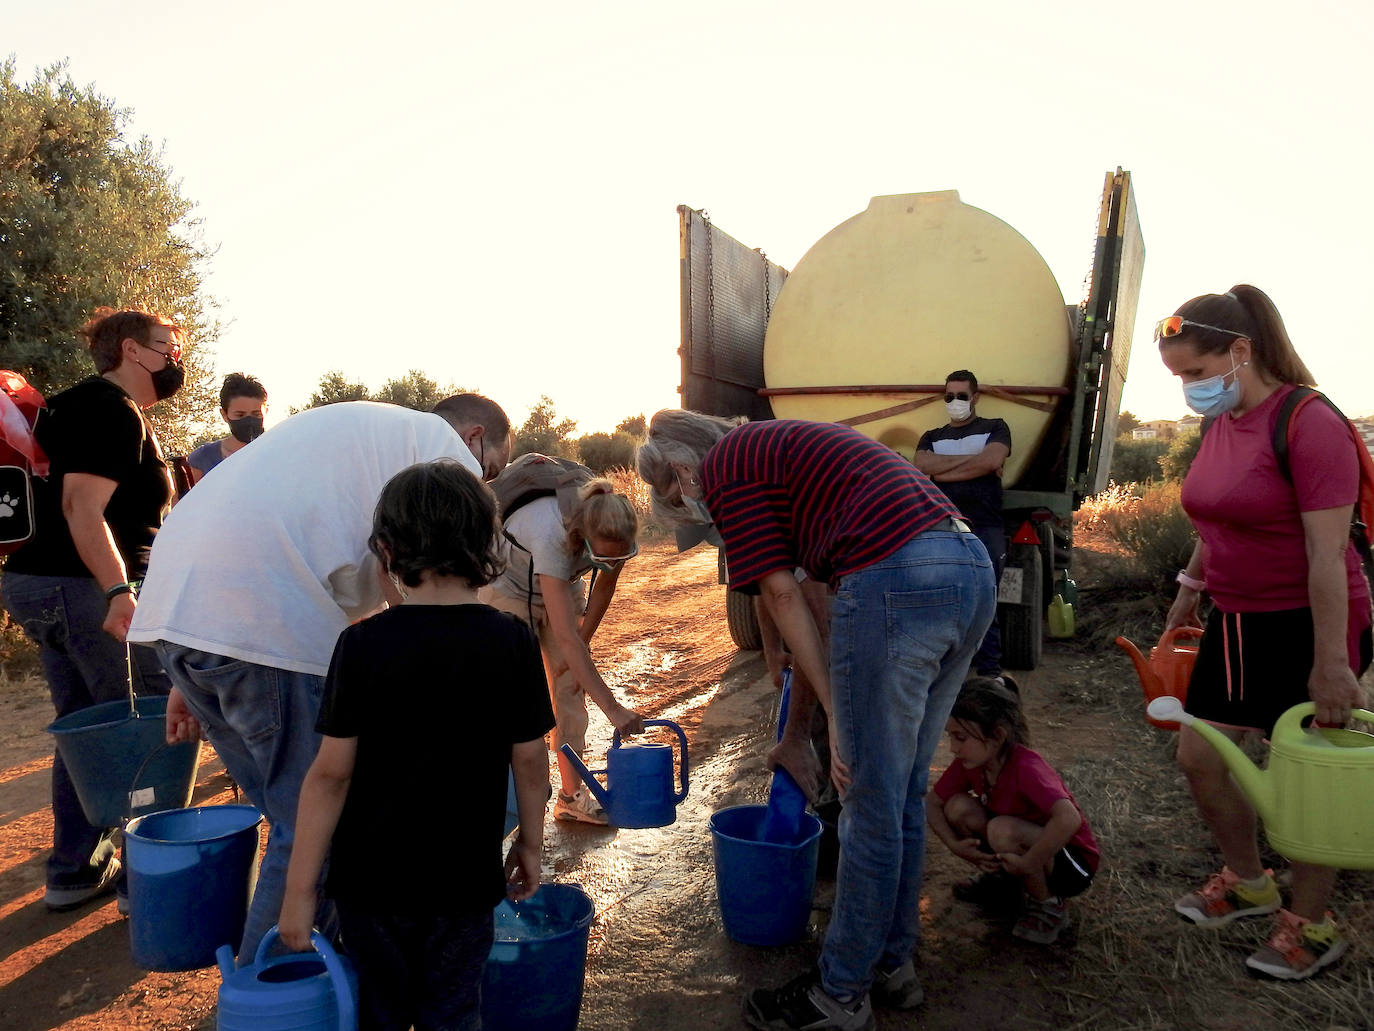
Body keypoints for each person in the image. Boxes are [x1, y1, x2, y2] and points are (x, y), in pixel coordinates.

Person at [636, 410, 996, 1031]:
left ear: (681, 468)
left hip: (896, 578)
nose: (692, 508)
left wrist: (836, 714)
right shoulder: (777, 453)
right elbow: (818, 608)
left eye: (677, 496)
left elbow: (781, 596)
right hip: (968, 569)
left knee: (865, 800)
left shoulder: (725, 473)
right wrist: (797, 731)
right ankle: (891, 962)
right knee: (900, 794)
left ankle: (840, 995)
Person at [126, 393, 513, 962]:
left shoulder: (362, 437)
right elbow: (426, 588)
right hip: (258, 628)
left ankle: (312, 977)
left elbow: (353, 581)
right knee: (317, 828)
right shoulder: (439, 451)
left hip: (183, 619)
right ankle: (270, 998)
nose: (484, 484)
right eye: (492, 470)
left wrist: (188, 675)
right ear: (476, 438)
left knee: (298, 828)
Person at [279, 460, 553, 1031]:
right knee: (453, 1012)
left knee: (381, 1011)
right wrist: (530, 842)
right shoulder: (511, 641)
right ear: (488, 543)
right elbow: (530, 761)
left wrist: (299, 892)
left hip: (370, 888)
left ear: (387, 551)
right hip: (464, 884)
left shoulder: (360, 645)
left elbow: (330, 777)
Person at [1157, 284, 1372, 980]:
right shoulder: (1222, 423)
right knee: (1200, 756)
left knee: (1303, 778)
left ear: (1240, 351)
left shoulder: (1310, 423)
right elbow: (1214, 514)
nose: (1188, 389)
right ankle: (1250, 881)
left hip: (1308, 623)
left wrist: (1333, 664)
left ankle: (1313, 923)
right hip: (1237, 618)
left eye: (1193, 372)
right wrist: (1189, 592)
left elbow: (1326, 556)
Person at [2, 308, 184, 912]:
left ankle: (74, 870)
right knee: (148, 722)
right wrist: (117, 591)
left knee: (88, 726)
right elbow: (84, 508)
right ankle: (149, 883)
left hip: (47, 584)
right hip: (81, 588)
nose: (175, 360)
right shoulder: (108, 408)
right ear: (132, 351)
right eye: (167, 348)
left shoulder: (84, 407)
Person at [481, 473, 646, 824]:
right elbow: (565, 638)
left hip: (564, 586)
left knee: (570, 689)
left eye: (618, 559)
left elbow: (602, 591)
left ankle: (571, 797)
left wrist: (578, 654)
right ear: (581, 537)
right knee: (512, 697)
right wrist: (613, 708)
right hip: (508, 587)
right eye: (603, 557)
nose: (611, 564)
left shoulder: (613, 533)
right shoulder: (551, 535)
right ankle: (510, 799)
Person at [926, 677, 1100, 945]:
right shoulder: (972, 763)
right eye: (951, 736)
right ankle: (1004, 883)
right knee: (958, 807)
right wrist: (954, 845)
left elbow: (1069, 819)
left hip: (1071, 865)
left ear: (997, 736)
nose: (953, 748)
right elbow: (933, 803)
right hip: (1025, 849)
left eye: (960, 737)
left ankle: (1048, 905)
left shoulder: (1027, 768)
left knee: (1002, 829)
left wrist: (1029, 863)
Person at [914, 370, 1012, 678]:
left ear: (975, 398)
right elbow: (922, 465)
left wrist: (943, 471)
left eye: (961, 396)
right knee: (940, 597)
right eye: (949, 396)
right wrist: (975, 464)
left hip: (986, 525)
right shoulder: (932, 435)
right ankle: (942, 669)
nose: (955, 402)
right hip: (943, 527)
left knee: (986, 598)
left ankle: (989, 672)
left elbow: (991, 460)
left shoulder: (995, 427)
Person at [185, 372, 268, 484]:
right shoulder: (202, 458)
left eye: (256, 414)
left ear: (265, 411)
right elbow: (183, 500)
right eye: (240, 415)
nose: (249, 421)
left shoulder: (282, 451)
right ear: (224, 414)